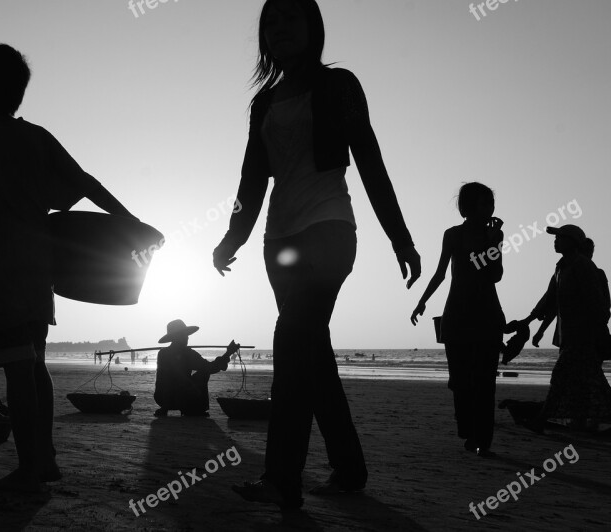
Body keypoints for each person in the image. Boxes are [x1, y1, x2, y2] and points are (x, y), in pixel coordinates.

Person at [214, 0, 420, 509]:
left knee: (291, 344)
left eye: (291, 18)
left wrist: (400, 236)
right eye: (271, 21)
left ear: (313, 27)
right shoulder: (263, 103)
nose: (280, 28)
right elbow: (250, 179)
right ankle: (349, 469)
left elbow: (369, 158)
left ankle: (281, 477)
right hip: (277, 241)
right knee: (313, 354)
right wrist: (232, 237)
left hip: (329, 230)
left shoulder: (339, 85)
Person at [0, 44, 137, 493]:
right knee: (34, 365)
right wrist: (132, 223)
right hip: (40, 276)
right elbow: (87, 185)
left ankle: (29, 469)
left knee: (18, 371)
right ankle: (46, 460)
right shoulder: (37, 137)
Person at [411, 183, 505, 457]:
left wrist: (491, 241)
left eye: (491, 204)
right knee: (461, 380)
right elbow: (441, 273)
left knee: (485, 381)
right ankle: (468, 429)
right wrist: (423, 300)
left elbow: (495, 274)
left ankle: (482, 439)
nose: (489, 209)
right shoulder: (452, 235)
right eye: (484, 203)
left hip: (487, 314)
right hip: (457, 315)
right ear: (467, 207)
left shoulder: (494, 235)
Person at [517, 226, 611, 432]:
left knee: (562, 377)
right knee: (589, 382)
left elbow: (599, 306)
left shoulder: (583, 267)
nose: (556, 240)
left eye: (561, 237)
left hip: (583, 337)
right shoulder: (561, 267)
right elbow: (549, 300)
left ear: (573, 241)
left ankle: (541, 421)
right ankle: (576, 420)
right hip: (569, 336)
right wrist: (528, 320)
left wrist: (594, 334)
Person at [153, 320, 239, 416]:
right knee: (203, 373)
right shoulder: (188, 353)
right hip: (180, 398)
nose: (187, 337)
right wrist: (228, 353)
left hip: (161, 399)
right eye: (185, 335)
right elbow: (209, 367)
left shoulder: (162, 353)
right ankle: (195, 408)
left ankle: (168, 408)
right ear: (178, 337)